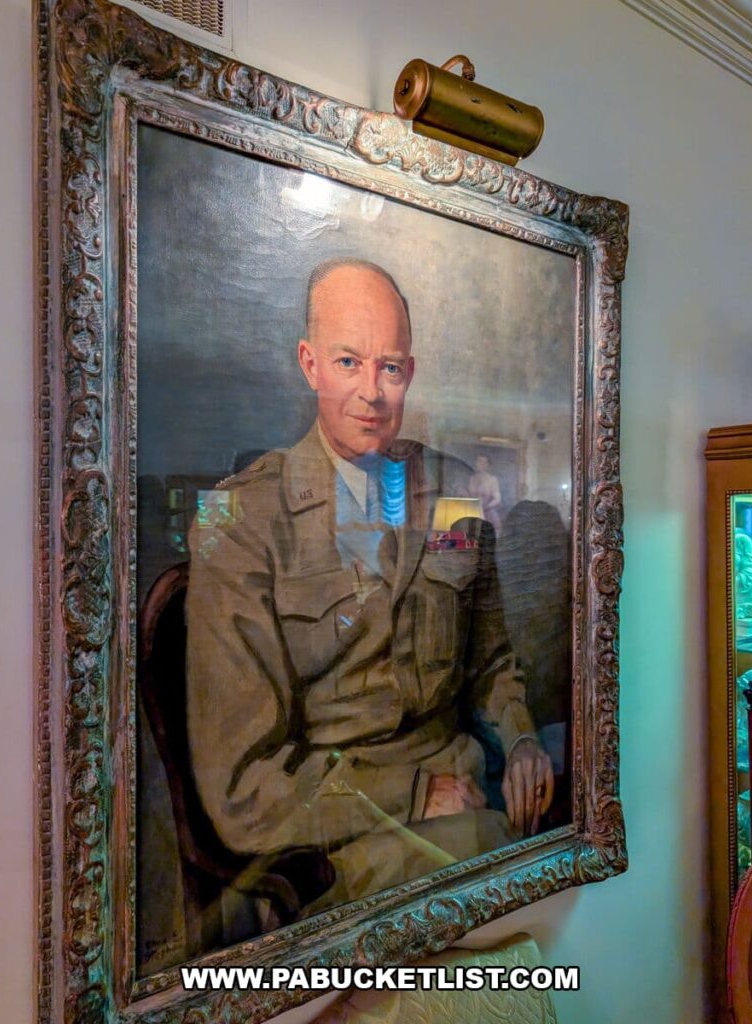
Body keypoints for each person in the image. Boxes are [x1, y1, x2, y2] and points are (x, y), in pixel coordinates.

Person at [185, 258, 553, 913]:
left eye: (388, 367)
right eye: (348, 362)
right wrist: (415, 793)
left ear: (408, 373)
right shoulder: (243, 521)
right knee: (514, 870)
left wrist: (521, 737)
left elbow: (488, 660)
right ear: (309, 365)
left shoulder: (451, 495)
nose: (372, 393)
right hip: (339, 834)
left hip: (467, 783)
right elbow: (240, 790)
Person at [466, 455, 502, 534]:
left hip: (488, 512)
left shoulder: (492, 479)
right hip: (474, 511)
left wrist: (486, 507)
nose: (481, 464)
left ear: (487, 465)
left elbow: (497, 499)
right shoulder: (472, 478)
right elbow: (470, 496)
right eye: (479, 461)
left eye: (483, 462)